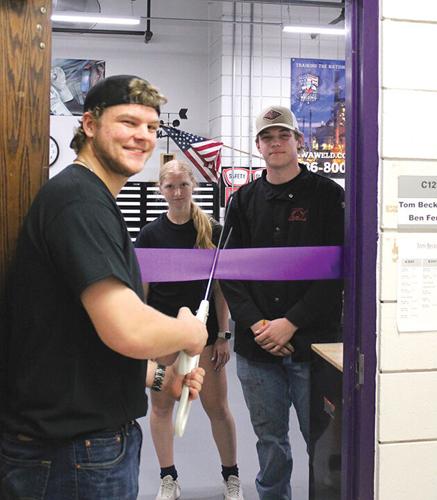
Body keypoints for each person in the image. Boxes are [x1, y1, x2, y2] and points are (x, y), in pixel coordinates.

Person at [0, 75, 208, 500]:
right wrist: (191, 332)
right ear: (90, 125)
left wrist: (160, 376)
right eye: (128, 122)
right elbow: (125, 328)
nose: (142, 137)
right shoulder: (78, 201)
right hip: (70, 455)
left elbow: (81, 338)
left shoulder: (92, 200)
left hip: (82, 446)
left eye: (151, 127)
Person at [221, 105, 344, 500]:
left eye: (283, 136)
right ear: (258, 147)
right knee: (270, 442)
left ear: (298, 141)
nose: (276, 144)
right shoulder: (241, 202)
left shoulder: (328, 197)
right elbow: (230, 272)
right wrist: (259, 325)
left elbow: (337, 273)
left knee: (324, 442)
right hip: (257, 352)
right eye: (268, 138)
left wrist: (289, 322)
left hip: (313, 346)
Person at [135, 159, 244, 500]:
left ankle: (231, 476)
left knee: (218, 408)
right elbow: (144, 290)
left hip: (205, 337)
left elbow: (221, 288)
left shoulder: (210, 229)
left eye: (183, 185)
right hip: (164, 335)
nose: (178, 192)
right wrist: (145, 339)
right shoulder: (151, 234)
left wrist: (224, 335)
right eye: (170, 186)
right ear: (160, 191)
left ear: (193, 186)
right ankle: (169, 478)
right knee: (162, 408)